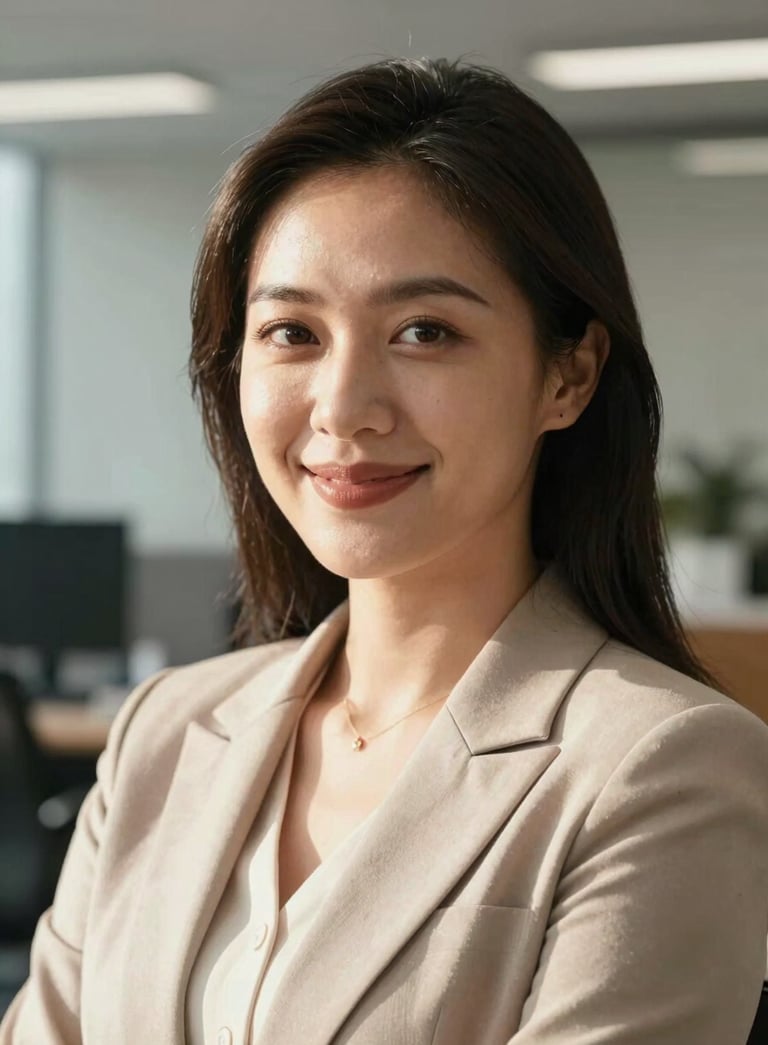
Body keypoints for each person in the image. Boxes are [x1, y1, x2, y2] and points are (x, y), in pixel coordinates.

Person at [2, 56, 768, 1045]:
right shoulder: (165, 731)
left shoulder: (666, 767)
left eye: (424, 331)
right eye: (291, 332)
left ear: (567, 376)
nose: (344, 408)